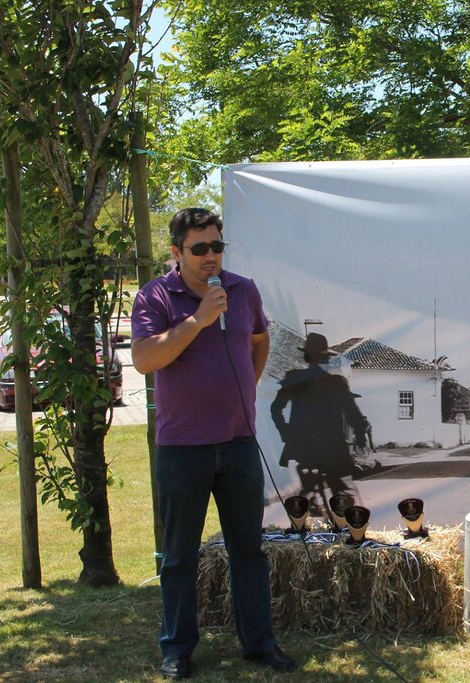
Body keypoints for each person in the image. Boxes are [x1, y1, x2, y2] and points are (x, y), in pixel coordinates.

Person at [131, 208, 294, 679]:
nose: (211, 257)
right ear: (176, 252)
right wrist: (199, 320)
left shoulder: (243, 290)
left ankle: (259, 643)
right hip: (183, 447)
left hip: (239, 442)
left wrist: (246, 388)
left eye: (217, 246)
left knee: (248, 549)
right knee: (180, 555)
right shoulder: (155, 295)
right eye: (200, 248)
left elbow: (259, 341)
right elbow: (145, 359)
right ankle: (177, 649)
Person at [270, 333, 370, 512]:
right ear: (325, 358)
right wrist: (361, 435)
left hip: (303, 448)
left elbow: (275, 409)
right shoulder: (336, 382)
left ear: (306, 356)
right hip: (332, 449)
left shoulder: (293, 380)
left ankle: (305, 511)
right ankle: (346, 516)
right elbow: (352, 413)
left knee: (306, 489)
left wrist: (287, 433)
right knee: (343, 490)